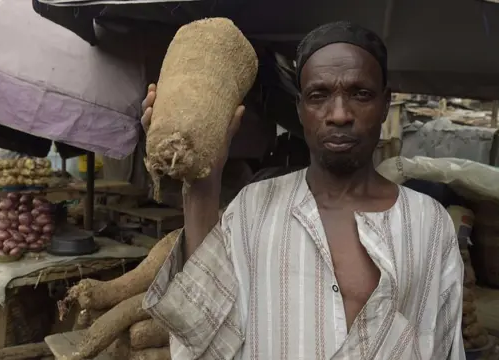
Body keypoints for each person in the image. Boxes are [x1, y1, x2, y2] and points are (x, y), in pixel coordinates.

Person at [140, 22, 464, 360]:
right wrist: (202, 185)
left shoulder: (429, 223)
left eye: (360, 94)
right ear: (299, 109)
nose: (339, 114)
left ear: (385, 104)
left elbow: (443, 345)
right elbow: (202, 332)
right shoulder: (254, 208)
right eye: (318, 96)